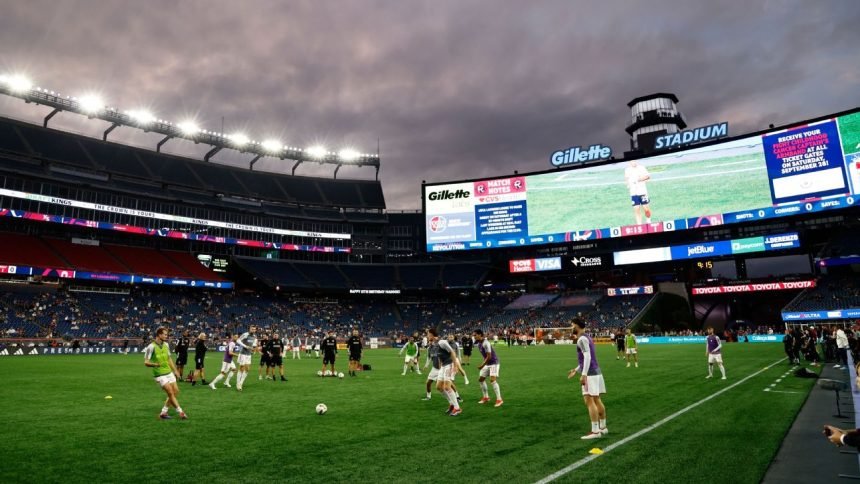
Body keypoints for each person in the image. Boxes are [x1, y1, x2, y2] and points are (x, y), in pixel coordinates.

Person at [567, 319, 606, 439]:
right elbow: (586, 359)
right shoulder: (587, 337)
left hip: (590, 374)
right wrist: (576, 370)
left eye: (572, 325)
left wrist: (583, 374)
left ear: (577, 326)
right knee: (597, 399)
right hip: (596, 371)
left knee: (589, 401)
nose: (571, 327)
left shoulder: (582, 339)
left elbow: (587, 356)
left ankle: (595, 431)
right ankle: (603, 428)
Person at [143, 327, 187, 420]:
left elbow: (169, 359)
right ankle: (181, 412)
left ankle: (163, 412)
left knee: (176, 392)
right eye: (165, 334)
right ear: (159, 335)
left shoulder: (166, 344)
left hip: (168, 372)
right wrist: (154, 364)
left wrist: (175, 370)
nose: (167, 336)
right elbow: (146, 362)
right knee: (170, 393)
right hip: (159, 374)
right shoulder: (151, 347)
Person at [426, 328, 464, 416]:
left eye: (428, 334)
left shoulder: (442, 342)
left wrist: (455, 366)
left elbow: (452, 352)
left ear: (432, 335)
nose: (427, 336)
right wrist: (441, 366)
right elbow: (439, 356)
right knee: (439, 387)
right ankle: (451, 404)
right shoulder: (434, 344)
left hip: (449, 365)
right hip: (443, 367)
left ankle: (457, 408)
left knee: (447, 387)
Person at [474, 329, 502, 407]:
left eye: (475, 335)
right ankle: (486, 397)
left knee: (492, 380)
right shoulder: (479, 344)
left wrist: (482, 365)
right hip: (487, 364)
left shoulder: (486, 343)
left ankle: (499, 399)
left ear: (480, 335)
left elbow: (489, 356)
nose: (474, 336)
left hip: (494, 363)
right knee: (481, 380)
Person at [624, 159, 652, 225]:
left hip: (642, 191)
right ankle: (639, 225)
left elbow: (648, 176)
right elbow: (626, 178)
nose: (633, 162)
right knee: (636, 209)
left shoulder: (641, 168)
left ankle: (648, 220)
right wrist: (628, 184)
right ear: (629, 162)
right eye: (631, 161)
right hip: (633, 192)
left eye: (634, 161)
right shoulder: (627, 170)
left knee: (646, 208)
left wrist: (639, 179)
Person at [235, 325, 259, 391]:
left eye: (254, 329)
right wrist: (245, 346)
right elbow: (238, 340)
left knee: (247, 369)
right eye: (252, 329)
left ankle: (241, 383)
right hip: (243, 353)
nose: (253, 330)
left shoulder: (254, 336)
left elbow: (253, 344)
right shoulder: (245, 334)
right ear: (249, 329)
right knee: (241, 368)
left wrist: (254, 348)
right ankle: (238, 384)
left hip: (249, 354)